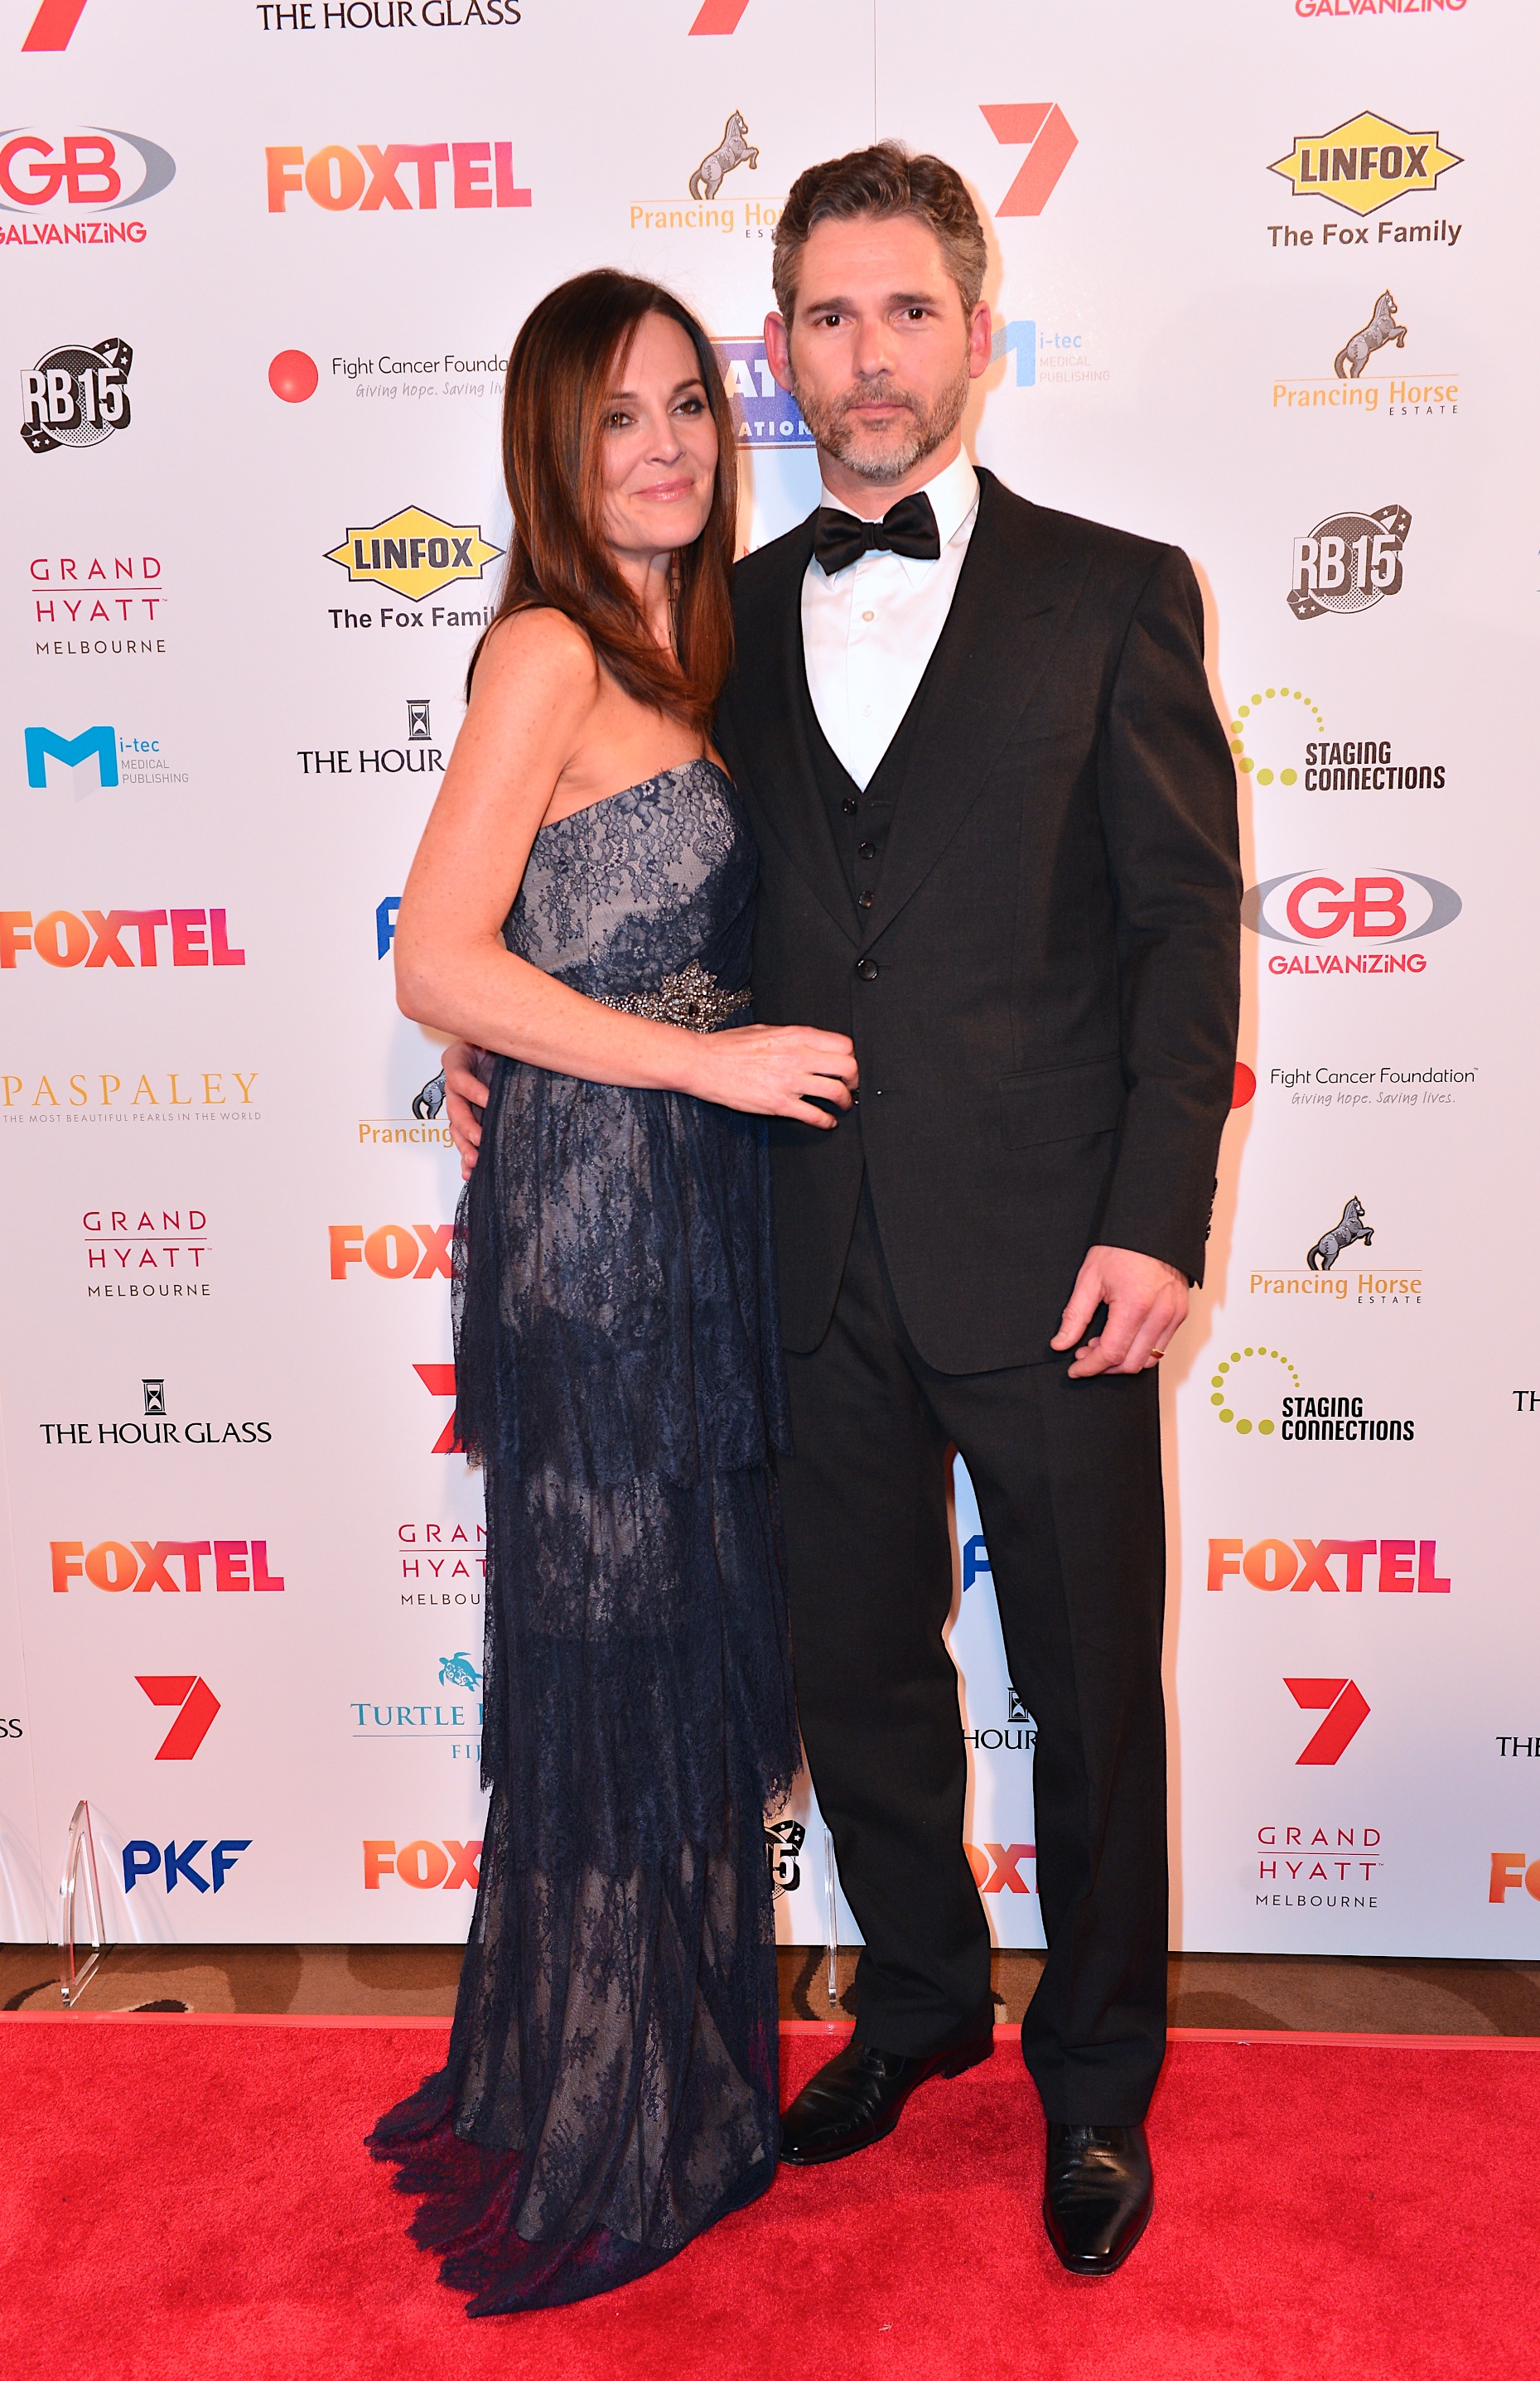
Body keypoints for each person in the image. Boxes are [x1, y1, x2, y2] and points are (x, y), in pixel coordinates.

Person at [448, 143, 1242, 2279]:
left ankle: (1095, 2082)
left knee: (1090, 1688)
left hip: (1057, 1250)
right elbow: (636, 882)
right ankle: (915, 2001)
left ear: (977, 329)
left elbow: (1186, 934)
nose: (864, 357)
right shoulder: (715, 612)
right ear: (779, 350)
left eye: (905, 310)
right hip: (786, 1249)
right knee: (863, 1678)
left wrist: (1157, 1218)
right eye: (823, 317)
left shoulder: (1116, 589)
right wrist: (494, 1032)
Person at [369, 268, 857, 2316]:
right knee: (608, 1665)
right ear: (551, 457)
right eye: (615, 421)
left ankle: (645, 2074)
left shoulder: (694, 652)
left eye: (685, 407)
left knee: (670, 1664)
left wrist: (653, 1052)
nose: (662, 447)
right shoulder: (551, 653)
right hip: (598, 1230)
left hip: (702, 1221)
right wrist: (690, 1056)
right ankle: (608, 2113)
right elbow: (435, 960)